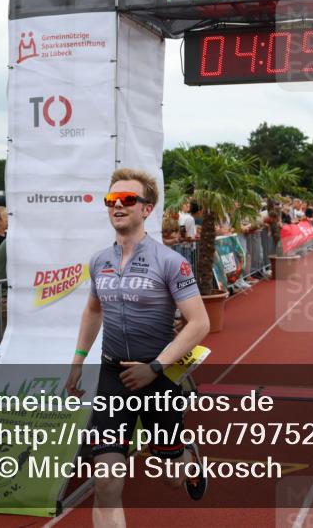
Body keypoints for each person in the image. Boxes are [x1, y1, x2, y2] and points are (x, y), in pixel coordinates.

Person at [65, 168, 211, 525]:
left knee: (172, 470)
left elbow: (200, 323)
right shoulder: (100, 261)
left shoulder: (170, 262)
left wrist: (155, 368)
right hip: (115, 376)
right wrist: (78, 360)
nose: (118, 206)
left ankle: (186, 458)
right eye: (111, 200)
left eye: (127, 200)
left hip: (159, 376)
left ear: (147, 209)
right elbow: (93, 310)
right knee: (107, 481)